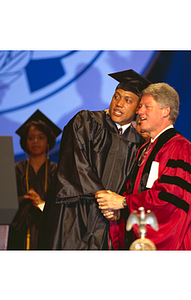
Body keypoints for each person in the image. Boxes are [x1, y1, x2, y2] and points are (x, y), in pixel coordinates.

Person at [37, 69, 150, 250]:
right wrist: (101, 194)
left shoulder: (139, 142)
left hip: (108, 222)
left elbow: (136, 183)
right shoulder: (86, 121)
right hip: (73, 214)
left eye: (127, 100)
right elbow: (75, 160)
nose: (119, 104)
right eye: (116, 97)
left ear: (138, 108)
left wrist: (121, 206)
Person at [95, 83, 191, 250]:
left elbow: (170, 200)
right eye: (140, 106)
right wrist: (119, 211)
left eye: (146, 107)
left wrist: (123, 202)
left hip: (178, 244)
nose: (139, 111)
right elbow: (137, 193)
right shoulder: (146, 149)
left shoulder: (181, 149)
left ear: (165, 111)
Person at [7, 110, 62, 250]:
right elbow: (7, 202)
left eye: (40, 137)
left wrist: (42, 204)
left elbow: (62, 203)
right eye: (31, 138)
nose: (35, 141)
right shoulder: (16, 169)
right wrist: (26, 200)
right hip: (19, 233)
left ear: (48, 141)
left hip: (49, 232)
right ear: (25, 141)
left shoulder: (57, 171)